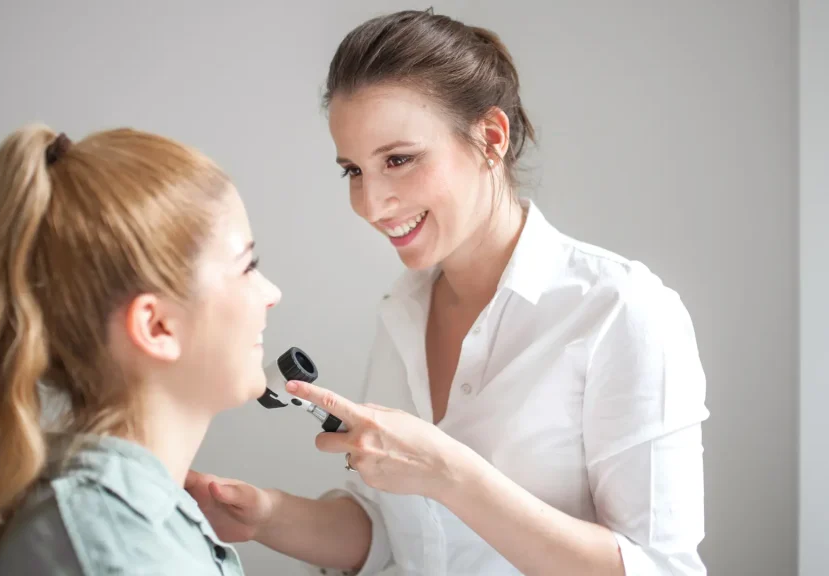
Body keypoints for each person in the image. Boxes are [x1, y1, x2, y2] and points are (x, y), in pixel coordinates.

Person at [185, 9, 709, 576]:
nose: (370, 203)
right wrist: (265, 517)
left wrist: (453, 475)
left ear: (491, 138)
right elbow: (395, 532)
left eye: (399, 160)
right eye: (354, 171)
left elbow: (660, 569)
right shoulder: (402, 311)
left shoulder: (619, 311)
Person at [0, 124, 281, 575]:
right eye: (248, 267)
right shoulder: (118, 553)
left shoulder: (115, 517)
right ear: (157, 325)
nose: (272, 293)